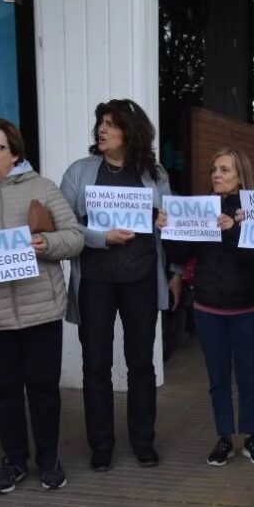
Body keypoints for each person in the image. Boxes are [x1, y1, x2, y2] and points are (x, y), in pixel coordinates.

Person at [0, 118, 83, 493]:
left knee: (44, 389)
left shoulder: (42, 188)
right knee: (4, 391)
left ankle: (49, 459)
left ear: (14, 153)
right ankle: (13, 461)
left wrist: (47, 245)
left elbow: (73, 237)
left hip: (40, 308)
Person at [61, 99, 172, 471]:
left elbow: (169, 221)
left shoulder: (154, 174)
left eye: (111, 124)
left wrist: (164, 220)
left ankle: (143, 441)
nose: (101, 130)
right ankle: (102, 446)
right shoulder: (80, 172)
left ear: (131, 131)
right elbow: (65, 227)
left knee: (141, 364)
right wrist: (101, 237)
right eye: (100, 124)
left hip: (140, 279)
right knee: (96, 366)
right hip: (96, 281)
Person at [157, 148, 254, 466]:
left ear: (240, 175)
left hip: (246, 308)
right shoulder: (199, 209)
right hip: (208, 308)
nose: (217, 175)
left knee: (247, 377)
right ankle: (223, 436)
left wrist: (233, 231)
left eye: (224, 170)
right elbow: (180, 255)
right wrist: (168, 230)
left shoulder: (252, 210)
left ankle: (250, 436)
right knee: (217, 376)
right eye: (213, 169)